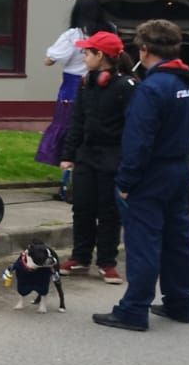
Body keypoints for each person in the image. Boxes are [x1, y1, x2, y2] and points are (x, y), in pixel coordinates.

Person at [93, 19, 189, 332]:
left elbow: (138, 139)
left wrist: (126, 181)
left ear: (143, 49)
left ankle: (133, 309)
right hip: (179, 168)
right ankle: (181, 303)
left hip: (152, 173)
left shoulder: (151, 88)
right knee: (178, 239)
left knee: (144, 241)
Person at [58, 30, 136, 285]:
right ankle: (80, 257)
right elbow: (76, 121)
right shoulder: (86, 83)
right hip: (86, 157)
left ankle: (107, 262)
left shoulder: (126, 87)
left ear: (100, 55)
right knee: (82, 208)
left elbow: (134, 127)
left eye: (87, 52)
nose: (83, 55)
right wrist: (68, 155)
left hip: (113, 158)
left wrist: (128, 161)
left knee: (108, 211)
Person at [36, 0, 116, 194]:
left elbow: (49, 60)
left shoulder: (74, 34)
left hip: (72, 87)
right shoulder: (110, 30)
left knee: (70, 132)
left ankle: (68, 185)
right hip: (103, 86)